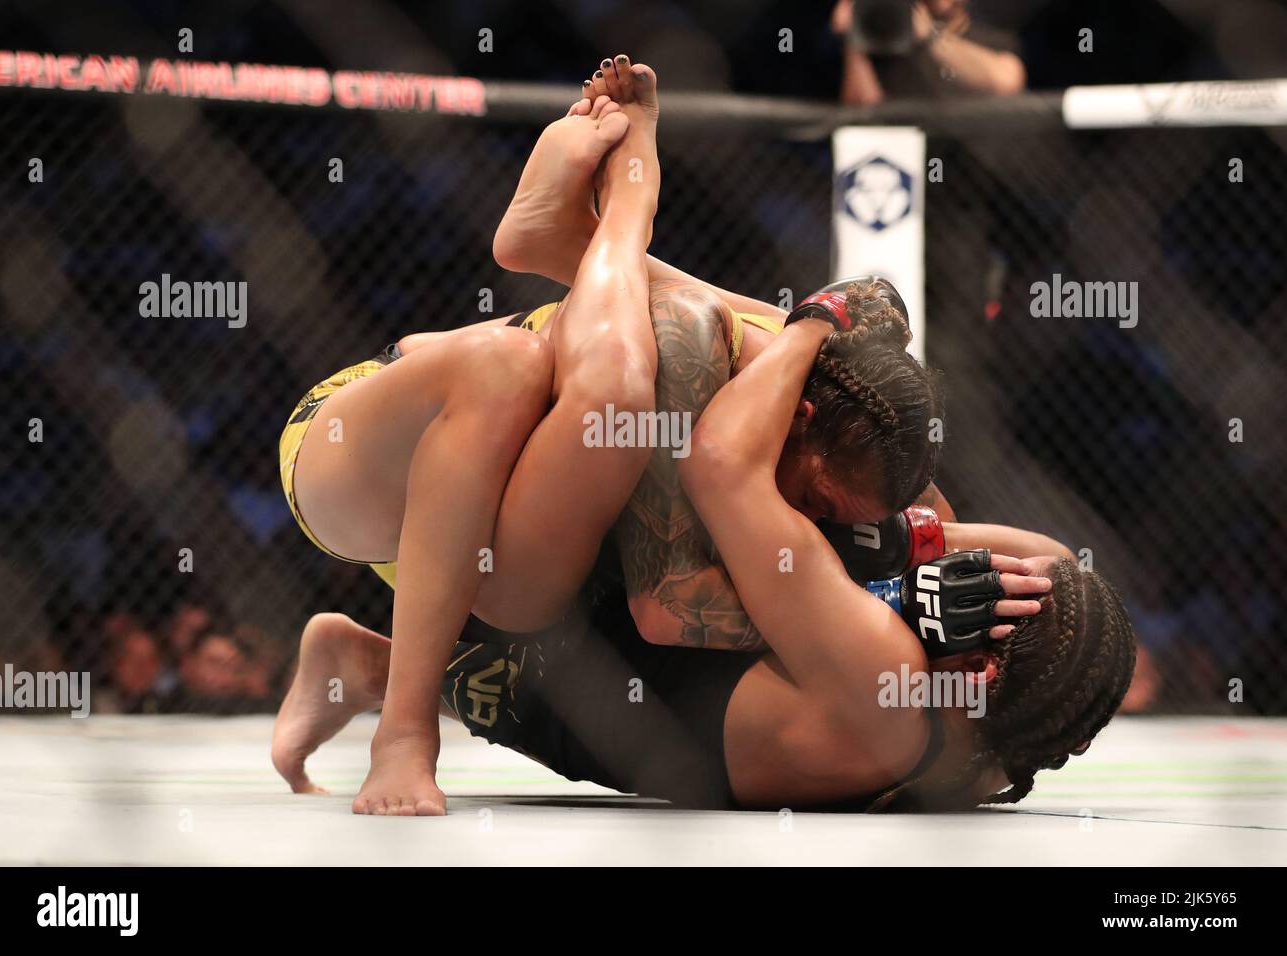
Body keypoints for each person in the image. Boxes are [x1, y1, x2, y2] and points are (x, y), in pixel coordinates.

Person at [277, 57, 943, 814]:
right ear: (801, 422)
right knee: (549, 370)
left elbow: (945, 531)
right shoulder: (693, 346)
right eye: (819, 501)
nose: (816, 521)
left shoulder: (866, 435)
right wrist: (635, 173)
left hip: (483, 536)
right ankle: (402, 735)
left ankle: (362, 663)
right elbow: (671, 603)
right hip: (364, 460)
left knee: (535, 604)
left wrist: (913, 587)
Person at [830, 0, 1026, 105]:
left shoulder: (993, 40)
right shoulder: (895, 43)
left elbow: (1007, 82)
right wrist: (855, 36)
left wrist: (930, 36)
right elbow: (862, 114)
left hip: (974, 171)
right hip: (913, 168)